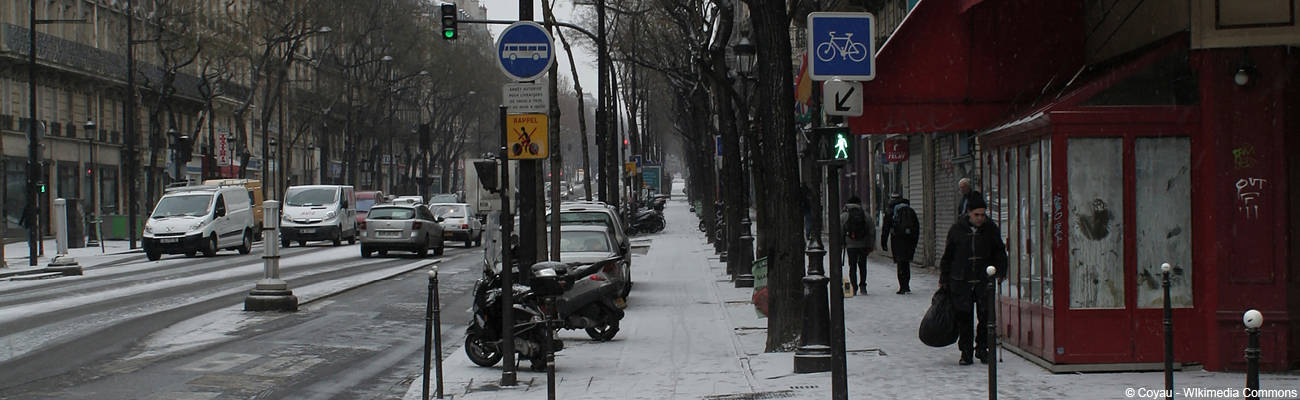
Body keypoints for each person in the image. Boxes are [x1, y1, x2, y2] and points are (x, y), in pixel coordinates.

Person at [938, 196, 1008, 366]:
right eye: (977, 215)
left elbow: (1000, 251)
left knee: (985, 317)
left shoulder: (990, 229)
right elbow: (948, 256)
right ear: (969, 213)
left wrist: (1000, 271)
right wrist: (944, 279)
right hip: (961, 280)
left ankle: (982, 348)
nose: (980, 218)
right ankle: (966, 351)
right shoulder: (957, 230)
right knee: (964, 318)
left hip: (984, 281)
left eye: (983, 215)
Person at [880, 193, 919, 294]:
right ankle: (907, 284)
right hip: (909, 239)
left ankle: (902, 285)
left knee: (900, 262)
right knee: (906, 262)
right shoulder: (909, 209)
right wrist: (914, 240)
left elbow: (886, 228)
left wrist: (883, 242)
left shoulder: (891, 211)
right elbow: (916, 226)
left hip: (897, 238)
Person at [839, 195, 875, 295]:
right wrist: (871, 245)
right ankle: (863, 285)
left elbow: (840, 231)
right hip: (863, 244)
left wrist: (841, 244)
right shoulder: (865, 215)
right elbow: (871, 231)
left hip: (851, 245)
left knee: (852, 266)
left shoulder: (844, 216)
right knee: (863, 266)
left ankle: (853, 287)